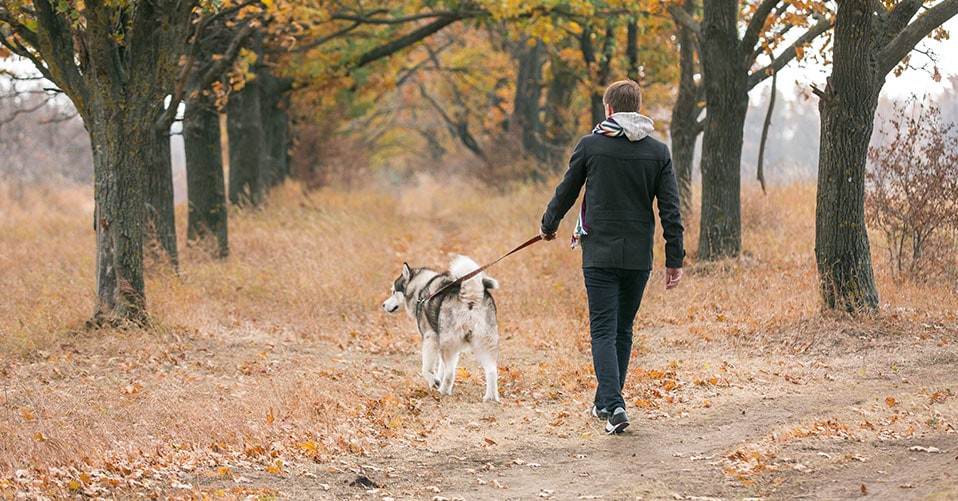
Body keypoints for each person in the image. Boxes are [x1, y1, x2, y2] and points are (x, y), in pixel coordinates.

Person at [538, 79, 685, 435]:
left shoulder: (591, 145)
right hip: (638, 256)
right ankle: (606, 401)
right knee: (622, 330)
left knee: (603, 330)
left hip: (599, 254)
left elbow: (566, 191)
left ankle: (614, 405)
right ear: (636, 108)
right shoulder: (658, 152)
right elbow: (670, 210)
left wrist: (548, 224)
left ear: (608, 109)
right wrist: (674, 258)